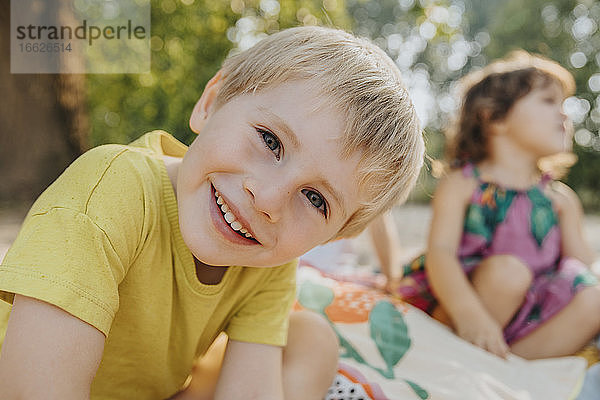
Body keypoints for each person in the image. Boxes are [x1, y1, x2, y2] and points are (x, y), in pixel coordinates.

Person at [0, 26, 424, 399]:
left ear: (333, 236)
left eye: (315, 199)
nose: (268, 199)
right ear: (211, 101)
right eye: (271, 141)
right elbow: (32, 390)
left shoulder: (271, 263)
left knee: (311, 339)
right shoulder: (112, 188)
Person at [389, 51, 600, 360]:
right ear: (494, 117)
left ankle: (508, 369)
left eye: (564, 104)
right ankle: (459, 356)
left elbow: (580, 269)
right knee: (508, 273)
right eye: (548, 101)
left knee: (595, 298)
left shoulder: (560, 200)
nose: (565, 115)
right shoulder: (463, 184)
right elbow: (441, 254)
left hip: (529, 324)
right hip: (464, 309)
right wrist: (469, 314)